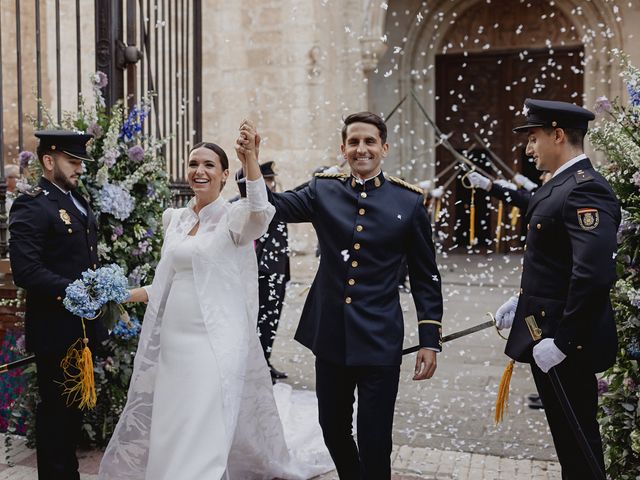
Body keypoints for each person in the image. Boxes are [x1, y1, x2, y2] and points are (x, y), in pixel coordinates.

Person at [99, 134, 332, 480]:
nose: (199, 170)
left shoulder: (235, 218)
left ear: (225, 175)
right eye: (194, 163)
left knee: (204, 421)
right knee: (173, 416)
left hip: (215, 341)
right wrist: (119, 295)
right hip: (173, 342)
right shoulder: (173, 219)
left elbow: (261, 213)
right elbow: (163, 283)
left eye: (209, 165)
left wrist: (250, 159)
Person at [236, 112, 443, 479]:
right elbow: (271, 207)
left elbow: (425, 276)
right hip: (330, 333)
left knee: (375, 438)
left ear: (384, 148)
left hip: (380, 336)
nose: (361, 149)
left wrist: (430, 338)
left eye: (369, 142)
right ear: (342, 149)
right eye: (354, 142)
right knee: (332, 428)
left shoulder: (408, 202)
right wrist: (250, 160)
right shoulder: (323, 189)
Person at [493, 99, 620, 479]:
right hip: (546, 330)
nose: (529, 149)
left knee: (580, 444)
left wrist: (564, 342)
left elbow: (593, 274)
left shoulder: (585, 190)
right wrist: (522, 301)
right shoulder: (561, 186)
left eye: (534, 139)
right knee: (568, 441)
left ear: (559, 135)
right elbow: (557, 265)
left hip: (568, 345)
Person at [9, 130, 104, 480]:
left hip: (80, 329)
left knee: (71, 416)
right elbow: (27, 270)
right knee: (56, 416)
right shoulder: (33, 203)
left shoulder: (75, 197)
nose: (80, 167)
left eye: (81, 161)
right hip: (55, 329)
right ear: (49, 161)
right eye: (73, 160)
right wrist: (75, 289)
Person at [255, 160, 291, 380]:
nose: (271, 184)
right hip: (263, 272)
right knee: (261, 320)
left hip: (278, 272)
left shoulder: (276, 202)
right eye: (267, 180)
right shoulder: (257, 204)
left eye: (271, 180)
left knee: (272, 320)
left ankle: (265, 361)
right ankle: (258, 364)